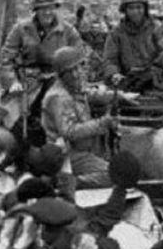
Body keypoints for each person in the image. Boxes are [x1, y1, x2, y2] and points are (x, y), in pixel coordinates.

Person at [0, 0, 83, 145]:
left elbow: (79, 56)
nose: (47, 13)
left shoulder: (68, 31)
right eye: (43, 9)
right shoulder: (21, 29)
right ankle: (15, 145)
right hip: (28, 79)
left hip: (58, 78)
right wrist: (12, 81)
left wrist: (74, 80)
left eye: (51, 8)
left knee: (62, 109)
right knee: (12, 112)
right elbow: (6, 58)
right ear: (36, 10)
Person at [42, 46, 116, 190]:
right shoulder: (58, 97)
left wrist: (116, 96)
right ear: (61, 75)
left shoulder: (72, 88)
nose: (76, 75)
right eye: (70, 72)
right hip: (67, 154)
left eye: (78, 68)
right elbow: (69, 131)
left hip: (83, 150)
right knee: (114, 175)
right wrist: (102, 123)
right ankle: (69, 183)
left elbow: (88, 94)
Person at [103, 0, 163, 92]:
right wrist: (114, 74)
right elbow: (110, 59)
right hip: (128, 81)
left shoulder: (156, 27)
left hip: (155, 79)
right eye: (131, 8)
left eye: (139, 7)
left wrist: (154, 68)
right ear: (125, 10)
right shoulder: (116, 32)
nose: (135, 12)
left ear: (145, 9)